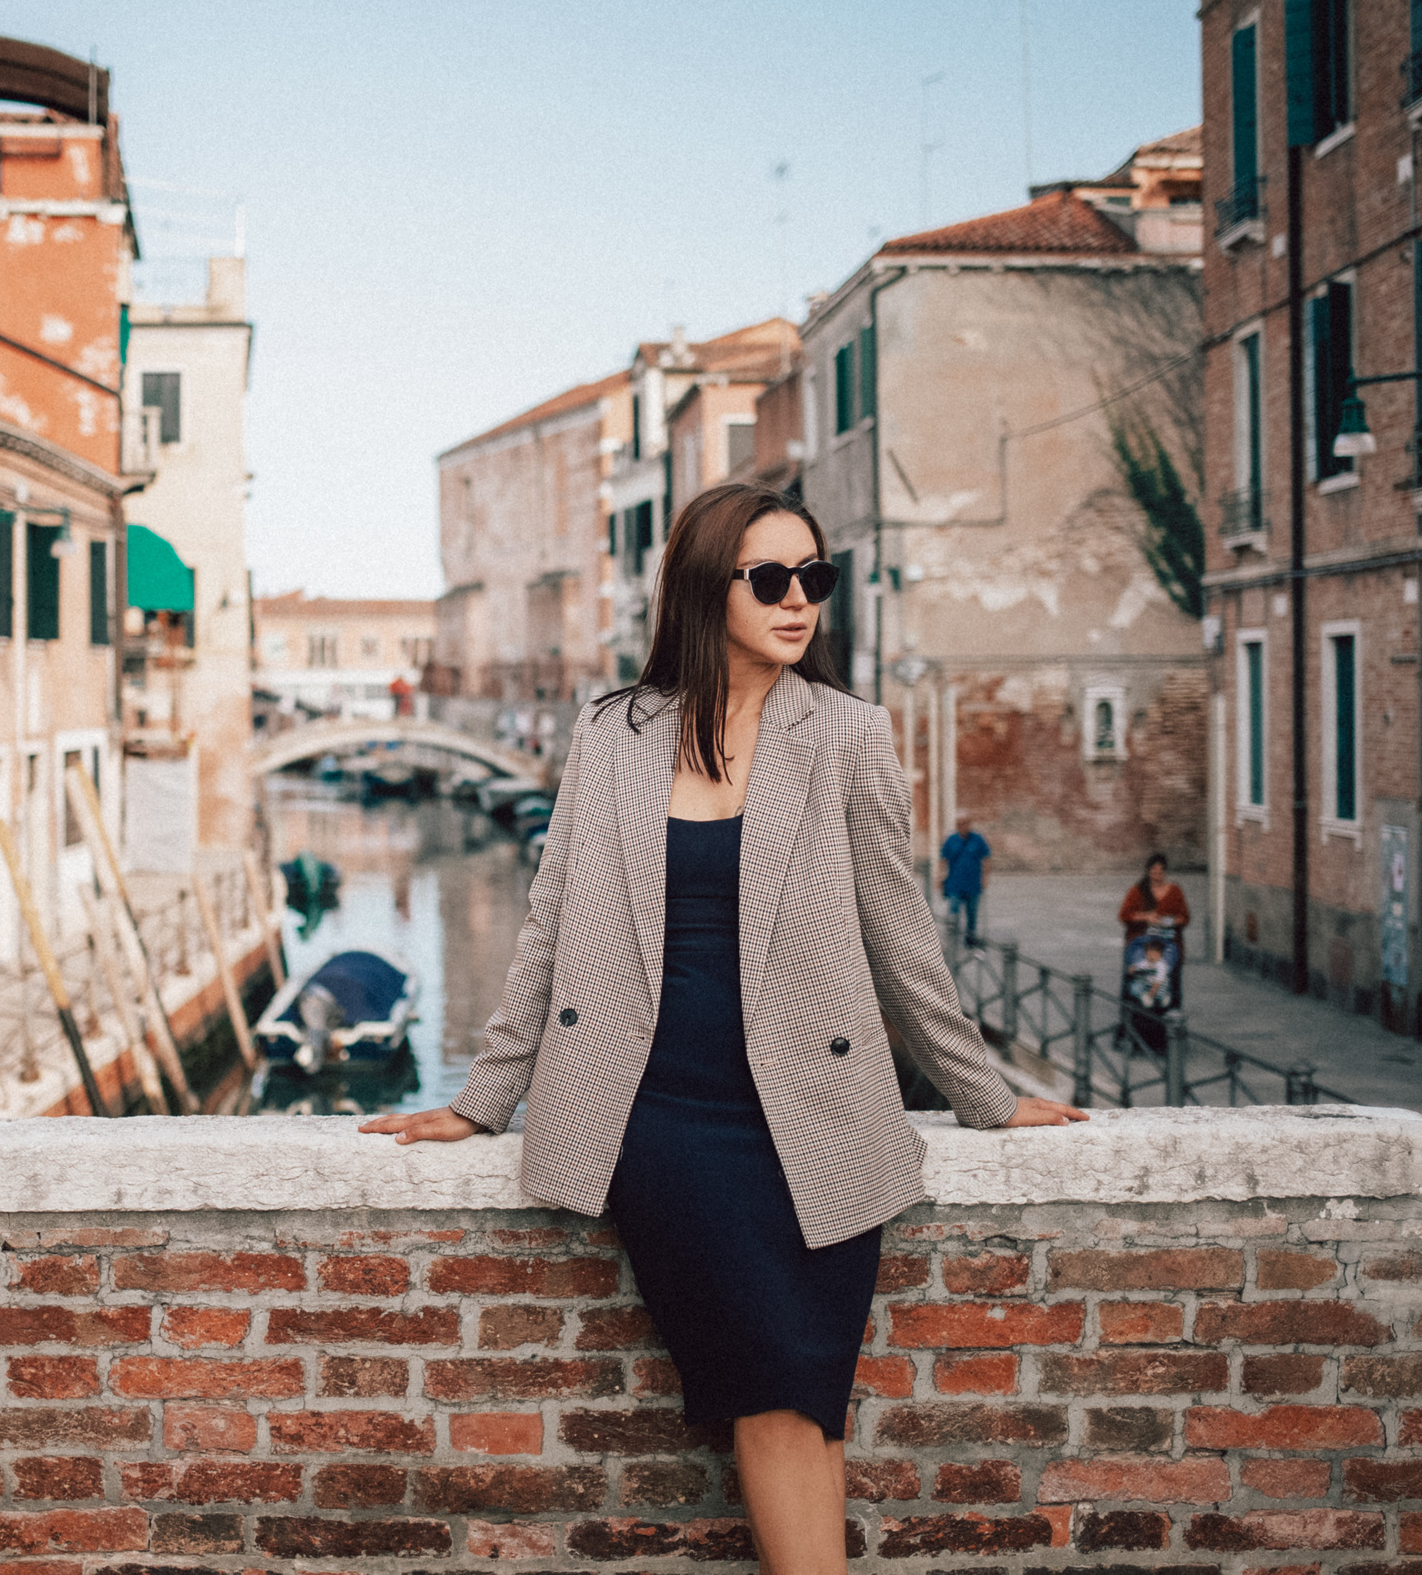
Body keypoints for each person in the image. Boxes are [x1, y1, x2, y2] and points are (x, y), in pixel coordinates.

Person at [363, 482, 1085, 1575]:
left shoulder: (846, 735)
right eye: (771, 580)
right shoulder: (612, 734)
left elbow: (902, 938)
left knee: (807, 1398)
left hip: (820, 1113)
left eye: (815, 580)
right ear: (709, 591)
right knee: (771, 1395)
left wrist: (982, 1089)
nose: (800, 603)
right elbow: (550, 924)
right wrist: (483, 1099)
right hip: (662, 1121)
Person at [1119, 853, 1191, 1021]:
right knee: (1140, 974)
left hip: (1167, 941)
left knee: (1167, 971)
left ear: (1165, 872)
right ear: (1148, 872)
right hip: (1142, 942)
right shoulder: (1138, 891)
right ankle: (1135, 1019)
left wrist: (1172, 922)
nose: (1157, 875)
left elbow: (1185, 917)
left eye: (1161, 872)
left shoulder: (1174, 891)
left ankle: (1168, 1016)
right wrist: (1146, 917)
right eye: (1154, 871)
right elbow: (1125, 915)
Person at [939, 812, 991, 946]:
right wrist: (940, 877)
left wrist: (985, 878)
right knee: (953, 912)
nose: (963, 826)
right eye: (960, 824)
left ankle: (970, 938)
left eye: (965, 823)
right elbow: (943, 860)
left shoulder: (978, 839)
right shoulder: (951, 840)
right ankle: (952, 938)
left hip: (973, 884)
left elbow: (986, 859)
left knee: (971, 914)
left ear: (969, 823)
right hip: (955, 884)